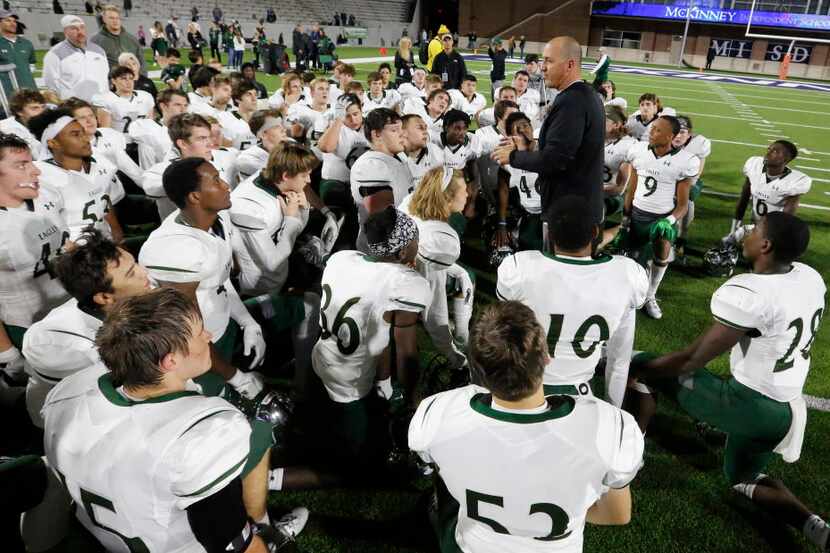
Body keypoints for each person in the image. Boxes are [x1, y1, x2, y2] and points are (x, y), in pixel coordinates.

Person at [43, 287, 309, 553]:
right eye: (198, 334)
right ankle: (266, 530)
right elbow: (235, 546)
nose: (209, 336)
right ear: (170, 360)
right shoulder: (203, 434)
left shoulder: (66, 394)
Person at [632, 212, 830, 552]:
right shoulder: (809, 277)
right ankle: (817, 528)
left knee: (641, 363)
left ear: (765, 245)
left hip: (749, 405)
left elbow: (691, 360)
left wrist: (641, 370)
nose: (748, 232)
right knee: (743, 479)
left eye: (756, 230)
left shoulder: (752, 292)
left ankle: (632, 448)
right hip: (785, 412)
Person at [409, 300, 643, 552]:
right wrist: (553, 513)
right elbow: (617, 515)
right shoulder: (610, 428)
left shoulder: (436, 416)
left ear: (477, 368)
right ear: (546, 357)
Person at [498, 194, 648, 407]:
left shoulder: (519, 268)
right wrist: (612, 410)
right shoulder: (626, 275)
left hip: (521, 388)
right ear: (596, 232)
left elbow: (502, 336)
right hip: (580, 394)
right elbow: (618, 361)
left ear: (549, 232)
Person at [313, 207, 430, 472]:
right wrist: (414, 401)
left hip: (322, 354)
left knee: (378, 325)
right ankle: (274, 479)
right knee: (356, 468)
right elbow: (406, 352)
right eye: (415, 242)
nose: (417, 247)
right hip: (349, 382)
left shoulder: (343, 258)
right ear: (401, 252)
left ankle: (379, 387)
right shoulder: (404, 282)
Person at [139, 158, 267, 398]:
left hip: (221, 325)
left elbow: (220, 278)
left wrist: (247, 322)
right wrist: (235, 377)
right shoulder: (175, 248)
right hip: (195, 352)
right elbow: (186, 331)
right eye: (216, 180)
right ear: (195, 197)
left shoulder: (215, 218)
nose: (226, 185)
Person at [22, 230, 153, 427]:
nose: (145, 273)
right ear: (104, 297)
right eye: (131, 273)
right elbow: (113, 393)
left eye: (134, 264)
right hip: (71, 420)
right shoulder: (54, 342)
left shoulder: (131, 301)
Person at [492, 37, 606, 231]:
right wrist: (532, 148)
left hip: (570, 212)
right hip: (577, 205)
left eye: (548, 61)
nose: (542, 67)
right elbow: (570, 151)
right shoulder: (582, 95)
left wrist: (513, 156)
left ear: (570, 64)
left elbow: (555, 160)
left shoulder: (572, 101)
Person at [0, 133, 70, 381]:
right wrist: (7, 353)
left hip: (73, 307)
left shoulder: (45, 195)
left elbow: (65, 243)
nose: (36, 172)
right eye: (22, 165)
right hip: (29, 327)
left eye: (31, 162)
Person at [616, 116, 700, 320]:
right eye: (651, 129)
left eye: (657, 130)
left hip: (662, 217)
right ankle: (628, 293)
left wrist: (669, 221)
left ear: (671, 136)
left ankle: (650, 295)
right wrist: (625, 219)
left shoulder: (685, 161)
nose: (650, 133)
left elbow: (682, 205)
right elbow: (631, 189)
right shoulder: (638, 151)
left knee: (661, 252)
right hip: (637, 213)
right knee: (630, 257)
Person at [400, 166, 472, 369]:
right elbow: (434, 311)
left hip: (399, 259)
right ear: (447, 199)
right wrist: (451, 355)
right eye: (463, 190)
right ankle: (458, 350)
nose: (468, 193)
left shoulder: (413, 200)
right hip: (399, 281)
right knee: (439, 307)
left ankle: (462, 335)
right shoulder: (433, 240)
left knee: (464, 276)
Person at [29, 108, 125, 243]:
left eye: (83, 133)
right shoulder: (42, 175)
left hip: (104, 241)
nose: (86, 139)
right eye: (75, 134)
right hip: (74, 251)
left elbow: (105, 203)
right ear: (53, 143)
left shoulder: (99, 162)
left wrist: (117, 235)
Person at [142, 113, 237, 219]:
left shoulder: (227, 156)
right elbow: (150, 187)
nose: (210, 143)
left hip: (229, 228)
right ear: (182, 144)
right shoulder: (160, 171)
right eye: (202, 138)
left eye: (209, 137)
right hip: (186, 233)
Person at [349, 108, 412, 252]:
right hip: (383, 248)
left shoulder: (399, 157)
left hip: (401, 240)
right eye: (395, 130)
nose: (403, 134)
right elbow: (383, 221)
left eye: (401, 128)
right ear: (377, 134)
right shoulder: (371, 165)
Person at [726, 140, 810, 244]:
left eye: (775, 151)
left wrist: (772, 238)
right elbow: (744, 198)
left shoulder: (794, 182)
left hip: (774, 231)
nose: (768, 153)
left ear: (786, 158)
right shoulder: (754, 167)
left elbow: (786, 218)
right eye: (769, 149)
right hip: (754, 225)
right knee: (728, 243)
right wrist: (734, 229)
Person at [62, 97, 144, 187]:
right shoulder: (65, 149)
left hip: (119, 192)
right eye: (82, 118)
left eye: (91, 115)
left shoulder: (110, 134)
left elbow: (132, 171)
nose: (89, 121)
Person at [494, 112, 543, 251]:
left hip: (553, 212)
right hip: (528, 214)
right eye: (517, 129)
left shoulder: (545, 149)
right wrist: (502, 223)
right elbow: (503, 189)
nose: (523, 131)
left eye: (525, 126)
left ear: (532, 127)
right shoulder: (508, 158)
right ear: (510, 137)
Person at [671, 115, 711, 263]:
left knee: (688, 199)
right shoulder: (665, 137)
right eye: (675, 131)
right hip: (668, 177)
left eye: (682, 132)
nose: (678, 136)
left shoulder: (699, 144)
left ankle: (681, 239)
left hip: (690, 180)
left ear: (690, 133)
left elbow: (697, 173)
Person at [43, 15, 110, 102]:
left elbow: (105, 77)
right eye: (74, 28)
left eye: (82, 27)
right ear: (65, 31)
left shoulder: (99, 50)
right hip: (74, 106)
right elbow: (51, 85)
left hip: (101, 103)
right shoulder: (54, 54)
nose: (79, 31)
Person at [128, 88, 189, 169]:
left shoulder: (192, 127)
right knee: (146, 147)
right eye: (177, 105)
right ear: (163, 106)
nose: (183, 110)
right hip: (159, 172)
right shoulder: (147, 126)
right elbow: (133, 131)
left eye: (185, 105)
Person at [91, 65, 155, 133]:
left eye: (131, 78)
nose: (128, 82)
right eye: (124, 78)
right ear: (113, 81)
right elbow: (106, 132)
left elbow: (150, 125)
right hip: (119, 141)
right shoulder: (106, 100)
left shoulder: (145, 97)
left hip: (143, 141)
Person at [602, 105, 637, 219]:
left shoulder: (627, 146)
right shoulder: (592, 138)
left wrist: (591, 190)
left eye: (604, 119)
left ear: (616, 124)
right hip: (590, 190)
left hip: (613, 196)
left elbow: (619, 188)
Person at [90, 4, 145, 76]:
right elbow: (92, 66)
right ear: (104, 19)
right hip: (110, 84)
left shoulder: (132, 39)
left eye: (117, 18)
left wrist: (142, 79)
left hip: (133, 83)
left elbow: (142, 63)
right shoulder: (95, 41)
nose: (115, 21)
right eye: (111, 18)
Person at [398, 114, 443, 193]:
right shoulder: (392, 158)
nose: (425, 132)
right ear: (403, 132)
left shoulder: (435, 152)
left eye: (425, 128)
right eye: (420, 128)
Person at [0, 9, 36, 99]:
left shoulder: (27, 43)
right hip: (7, 94)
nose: (13, 23)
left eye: (14, 21)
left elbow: (31, 65)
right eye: (8, 20)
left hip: (30, 91)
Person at [0, 89, 44, 157]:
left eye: (43, 107)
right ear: (19, 111)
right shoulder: (9, 129)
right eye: (34, 108)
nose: (42, 112)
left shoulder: (37, 124)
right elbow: (37, 156)